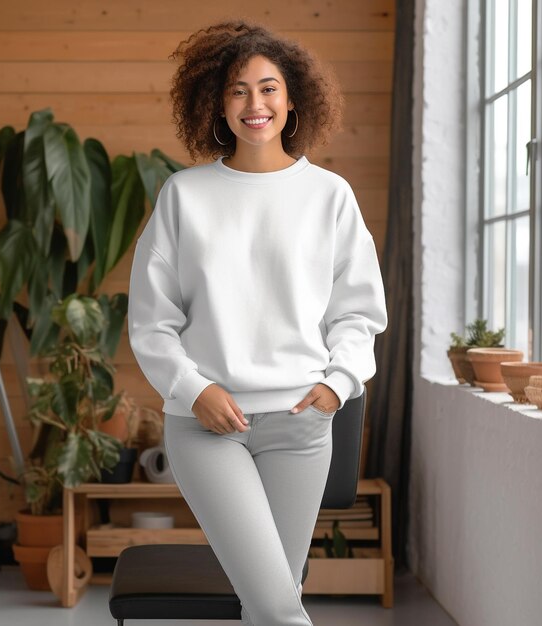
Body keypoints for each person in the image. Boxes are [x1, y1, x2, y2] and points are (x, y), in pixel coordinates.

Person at [127, 19, 388, 626]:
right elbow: (150, 319)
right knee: (278, 607)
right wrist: (195, 390)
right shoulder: (184, 195)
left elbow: (358, 309)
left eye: (268, 88)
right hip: (207, 426)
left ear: (292, 98)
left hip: (302, 426)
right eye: (238, 90)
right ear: (217, 103)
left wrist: (338, 383)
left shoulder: (329, 196)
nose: (255, 104)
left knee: (269, 603)